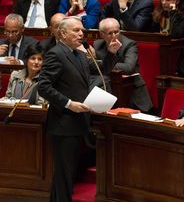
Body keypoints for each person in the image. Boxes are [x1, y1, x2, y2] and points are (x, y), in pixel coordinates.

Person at [38, 17, 121, 202]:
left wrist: (111, 53)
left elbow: (100, 69)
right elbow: (43, 86)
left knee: (66, 176)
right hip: (63, 124)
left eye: (82, 30)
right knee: (64, 176)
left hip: (77, 124)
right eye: (76, 30)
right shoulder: (56, 54)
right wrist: (69, 103)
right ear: (63, 33)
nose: (81, 34)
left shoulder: (78, 54)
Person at [94, 18, 153, 112]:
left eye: (116, 32)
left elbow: (128, 68)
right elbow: (94, 67)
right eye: (110, 33)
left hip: (132, 94)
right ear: (102, 34)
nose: (114, 36)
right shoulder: (97, 45)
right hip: (109, 90)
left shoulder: (129, 44)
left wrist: (105, 64)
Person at [152, 0, 184, 76]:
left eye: (168, 0)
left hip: (178, 54)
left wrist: (172, 13)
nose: (164, 3)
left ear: (177, 1)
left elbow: (176, 34)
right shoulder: (158, 13)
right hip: (159, 51)